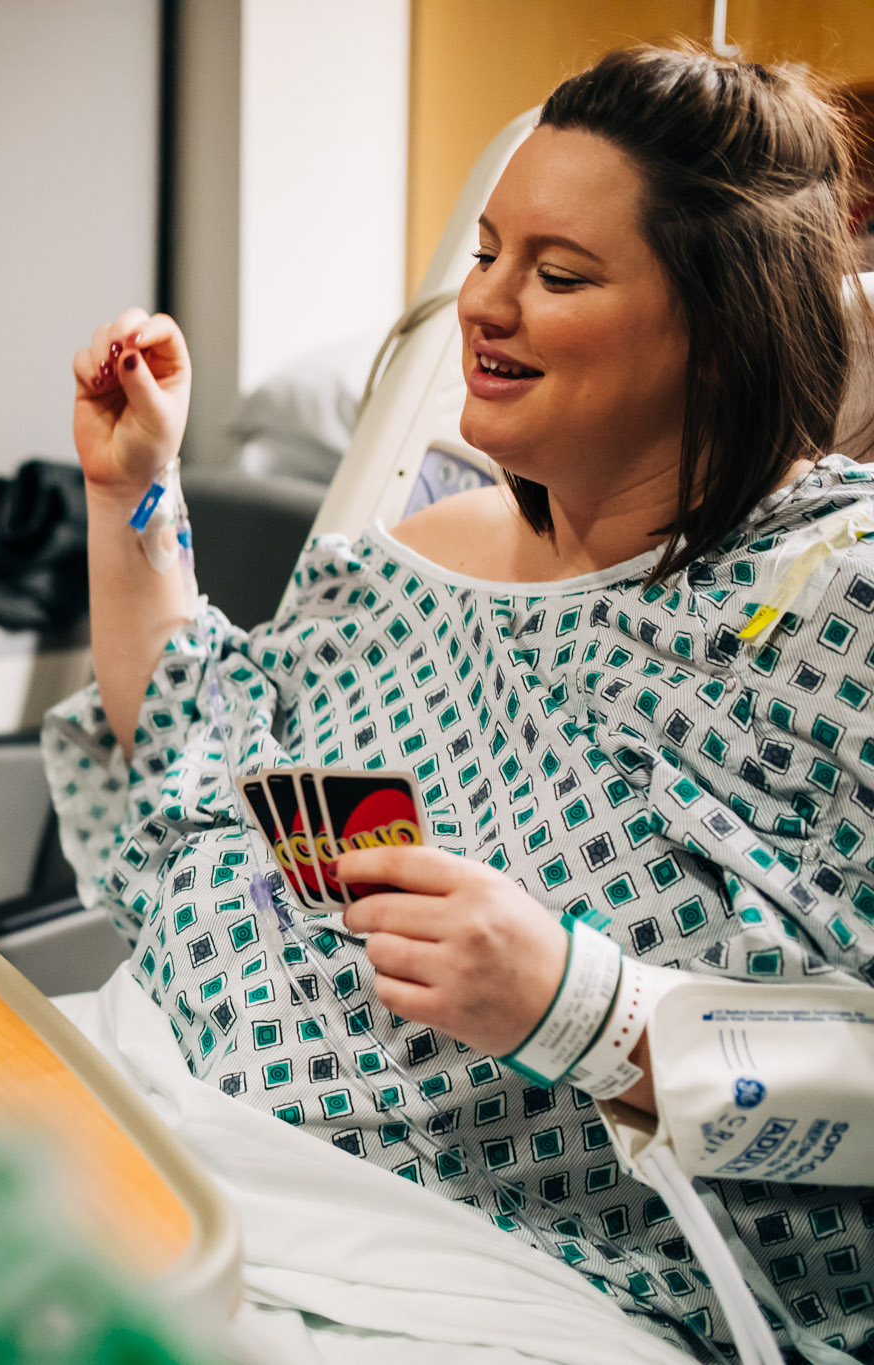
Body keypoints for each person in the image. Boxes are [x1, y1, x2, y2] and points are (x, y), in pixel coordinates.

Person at [53, 46, 873, 1359]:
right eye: (488, 251)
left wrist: (588, 1008)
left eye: (558, 275)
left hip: (492, 1263)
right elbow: (194, 740)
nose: (482, 304)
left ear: (721, 336)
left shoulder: (838, 608)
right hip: (147, 1087)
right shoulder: (429, 559)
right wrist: (131, 489)